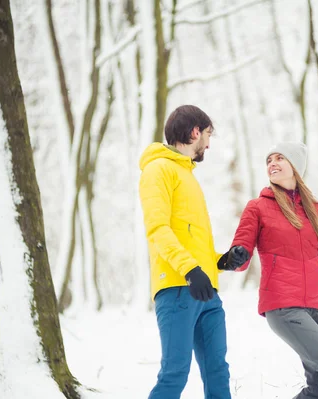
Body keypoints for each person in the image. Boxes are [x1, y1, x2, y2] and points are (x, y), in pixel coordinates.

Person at [226, 141, 318, 399]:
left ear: (295, 166)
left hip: (316, 308)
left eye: (279, 158)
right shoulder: (258, 207)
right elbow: (241, 251)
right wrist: (236, 256)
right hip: (283, 306)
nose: (272, 163)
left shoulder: (315, 211)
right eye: (269, 160)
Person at [138, 105, 248, 399]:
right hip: (177, 288)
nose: (209, 144)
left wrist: (221, 261)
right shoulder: (158, 170)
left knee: (217, 371)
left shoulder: (188, 176)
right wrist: (189, 270)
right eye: (208, 135)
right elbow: (158, 228)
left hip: (206, 290)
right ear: (195, 132)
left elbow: (191, 241)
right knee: (175, 373)